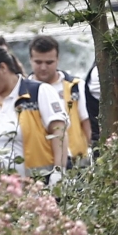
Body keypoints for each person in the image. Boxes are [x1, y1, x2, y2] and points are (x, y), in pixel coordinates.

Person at [0, 45, 67, 183]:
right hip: (3, 191)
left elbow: (59, 132)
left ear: (3, 68)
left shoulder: (39, 92)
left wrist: (59, 171)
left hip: (40, 185)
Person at [28, 35, 91, 165]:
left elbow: (87, 124)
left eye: (49, 62)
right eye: (38, 62)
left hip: (77, 162)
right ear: (30, 60)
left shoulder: (75, 86)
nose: (44, 67)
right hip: (43, 164)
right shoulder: (23, 91)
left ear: (58, 60)